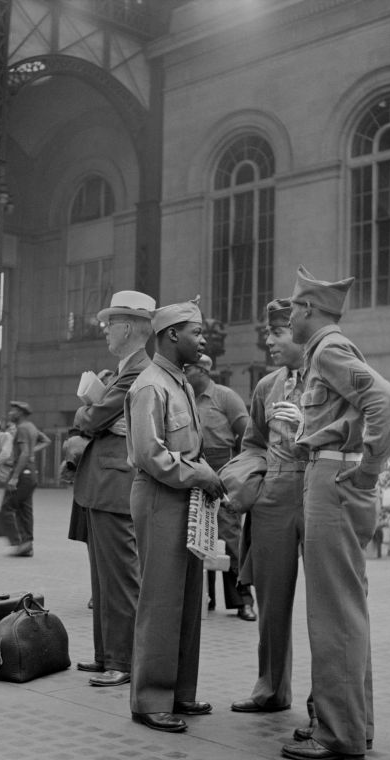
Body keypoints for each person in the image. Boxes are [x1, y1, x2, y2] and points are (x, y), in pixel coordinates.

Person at [281, 266, 390, 760]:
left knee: (333, 614)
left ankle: (337, 734)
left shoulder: (329, 349)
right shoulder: (327, 351)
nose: (288, 315)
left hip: (332, 482)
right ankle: (355, 724)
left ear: (309, 309)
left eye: (292, 307)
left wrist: (371, 469)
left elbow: (388, 402)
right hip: (334, 480)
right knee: (345, 609)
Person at [125, 298, 223, 733]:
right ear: (171, 335)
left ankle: (180, 690)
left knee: (187, 599)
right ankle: (150, 699)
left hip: (184, 495)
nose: (202, 340)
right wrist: (198, 473)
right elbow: (150, 454)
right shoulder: (151, 385)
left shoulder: (178, 381)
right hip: (162, 494)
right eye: (196, 332)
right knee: (161, 599)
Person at [224, 298, 308, 714]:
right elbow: (254, 442)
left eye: (278, 332)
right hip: (274, 495)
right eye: (268, 333)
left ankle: (326, 703)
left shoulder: (331, 378)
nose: (269, 341)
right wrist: (251, 478)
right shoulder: (266, 386)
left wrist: (305, 427)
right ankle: (271, 689)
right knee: (272, 600)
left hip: (319, 492)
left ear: (301, 331)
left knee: (327, 604)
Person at [71, 290, 155, 688]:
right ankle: (107, 655)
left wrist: (92, 413)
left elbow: (91, 417)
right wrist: (98, 415)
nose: (105, 330)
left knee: (120, 579)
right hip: (102, 485)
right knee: (103, 579)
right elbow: (99, 417)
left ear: (127, 328)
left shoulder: (137, 371)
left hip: (115, 484)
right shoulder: (124, 370)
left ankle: (123, 661)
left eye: (110, 324)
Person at [185, 353, 254, 621]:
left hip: (224, 471)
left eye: (187, 368)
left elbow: (249, 435)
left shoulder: (225, 397)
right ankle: (204, 598)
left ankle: (243, 601)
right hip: (194, 470)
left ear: (202, 370)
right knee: (197, 536)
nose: (184, 372)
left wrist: (238, 471)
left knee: (230, 538)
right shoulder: (184, 396)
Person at [0, 401, 51, 556]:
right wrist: (32, 452)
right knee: (25, 509)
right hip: (32, 474)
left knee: (7, 507)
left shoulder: (22, 428)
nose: (10, 414)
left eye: (13, 411)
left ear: (20, 413)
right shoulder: (32, 427)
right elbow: (46, 440)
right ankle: (27, 544)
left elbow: (23, 453)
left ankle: (19, 543)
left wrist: (14, 476)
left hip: (22, 473)